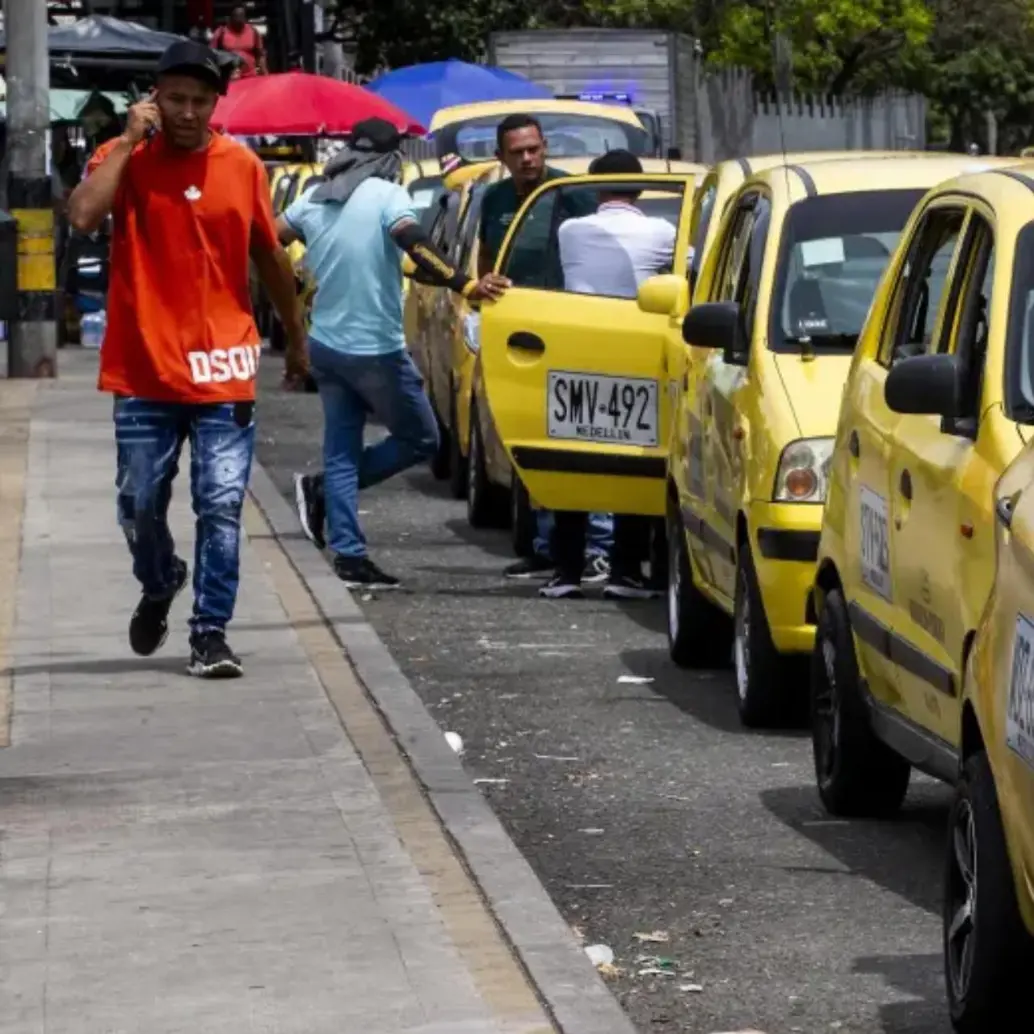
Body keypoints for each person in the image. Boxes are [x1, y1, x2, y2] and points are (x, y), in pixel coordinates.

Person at [66, 40, 307, 677]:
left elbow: (269, 258)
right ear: (153, 98)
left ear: (214, 105)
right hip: (144, 368)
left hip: (223, 369)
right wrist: (124, 144)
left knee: (221, 503)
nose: (187, 111)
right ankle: (160, 578)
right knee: (138, 501)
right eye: (175, 98)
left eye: (200, 101)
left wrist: (297, 338)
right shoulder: (124, 160)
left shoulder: (242, 166)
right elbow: (84, 216)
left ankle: (210, 634)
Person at [282, 118, 510, 590]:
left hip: (325, 345)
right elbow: (417, 245)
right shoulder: (388, 195)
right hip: (375, 350)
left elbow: (266, 238)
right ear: (393, 159)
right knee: (423, 438)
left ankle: (348, 553)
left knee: (342, 448)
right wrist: (466, 283)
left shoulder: (315, 197)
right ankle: (323, 492)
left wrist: (297, 281)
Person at [477, 113, 614, 583]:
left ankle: (595, 546)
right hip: (518, 336)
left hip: (569, 333)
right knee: (528, 443)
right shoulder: (493, 198)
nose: (528, 158)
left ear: (545, 148)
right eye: (517, 152)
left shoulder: (568, 194)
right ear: (501, 157)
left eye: (534, 148)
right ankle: (544, 545)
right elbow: (485, 260)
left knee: (577, 440)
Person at [540, 149, 677, 601]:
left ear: (597, 188)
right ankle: (625, 571)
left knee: (575, 458)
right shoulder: (661, 231)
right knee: (633, 460)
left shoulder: (570, 230)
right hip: (633, 356)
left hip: (575, 354)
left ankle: (566, 572)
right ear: (640, 190)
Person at [211, 5, 267, 78]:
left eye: (242, 16)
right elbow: (212, 56)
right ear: (230, 18)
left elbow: (260, 55)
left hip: (251, 75)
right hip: (229, 77)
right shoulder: (221, 33)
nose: (239, 19)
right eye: (236, 16)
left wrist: (265, 75)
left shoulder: (253, 31)